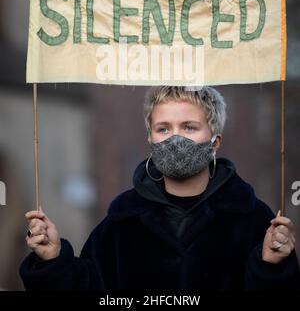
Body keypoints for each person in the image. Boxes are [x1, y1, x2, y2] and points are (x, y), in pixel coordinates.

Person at [19, 86, 300, 291]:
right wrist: (53, 261)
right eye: (164, 129)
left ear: (215, 141)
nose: (175, 138)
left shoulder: (253, 220)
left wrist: (272, 268)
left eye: (189, 127)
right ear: (150, 138)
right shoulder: (122, 221)